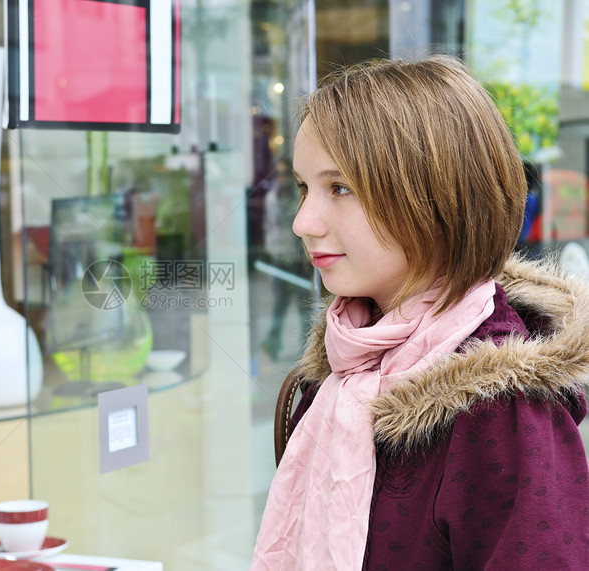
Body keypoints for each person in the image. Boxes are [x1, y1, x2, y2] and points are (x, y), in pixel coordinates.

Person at [252, 55, 589, 570]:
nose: (303, 222)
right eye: (303, 188)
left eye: (340, 188)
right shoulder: (348, 366)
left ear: (438, 199)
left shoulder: (500, 411)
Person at [261, 158, 313, 361]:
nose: (282, 178)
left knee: (304, 306)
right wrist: (272, 253)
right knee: (280, 305)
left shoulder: (297, 197)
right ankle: (274, 342)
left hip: (298, 261)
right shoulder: (272, 198)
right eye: (279, 174)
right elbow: (269, 228)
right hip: (280, 259)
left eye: (286, 174)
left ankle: (307, 348)